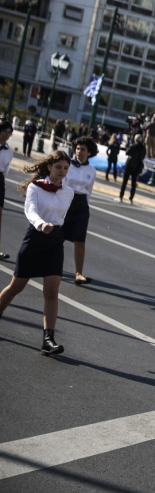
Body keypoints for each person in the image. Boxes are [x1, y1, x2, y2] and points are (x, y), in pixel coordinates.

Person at [0, 151, 75, 353]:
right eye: (58, 167)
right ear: (49, 167)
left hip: (54, 242)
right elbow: (30, 209)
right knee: (16, 286)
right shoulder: (36, 187)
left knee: (51, 291)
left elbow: (61, 217)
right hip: (35, 237)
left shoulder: (69, 192)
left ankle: (48, 339)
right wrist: (41, 224)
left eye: (66, 168)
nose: (62, 171)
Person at [62, 137, 98, 285]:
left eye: (83, 149)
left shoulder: (92, 171)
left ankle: (79, 274)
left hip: (82, 206)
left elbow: (89, 192)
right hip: (66, 203)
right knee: (57, 237)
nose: (79, 152)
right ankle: (46, 264)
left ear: (89, 152)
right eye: (77, 148)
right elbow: (62, 185)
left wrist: (85, 207)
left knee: (80, 241)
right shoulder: (67, 165)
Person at [0, 121, 14, 261]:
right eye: (5, 131)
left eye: (9, 133)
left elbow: (6, 170)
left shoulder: (9, 151)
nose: (7, 135)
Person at [119, 134, 146, 204]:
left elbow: (127, 152)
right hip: (137, 166)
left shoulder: (133, 146)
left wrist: (129, 145)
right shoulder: (143, 148)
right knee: (133, 184)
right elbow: (143, 157)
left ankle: (121, 196)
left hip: (130, 165)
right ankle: (131, 198)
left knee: (124, 182)